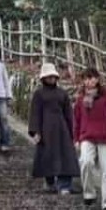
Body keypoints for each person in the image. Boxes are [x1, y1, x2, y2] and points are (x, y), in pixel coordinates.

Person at [73, 67, 106, 210]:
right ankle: (89, 193)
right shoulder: (81, 99)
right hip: (86, 136)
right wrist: (75, 139)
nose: (89, 81)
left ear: (97, 79)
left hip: (105, 137)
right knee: (85, 162)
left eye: (92, 78)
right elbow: (76, 120)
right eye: (86, 78)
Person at [29, 62, 81, 194]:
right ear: (43, 78)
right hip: (46, 129)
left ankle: (65, 184)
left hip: (61, 128)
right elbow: (35, 113)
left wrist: (73, 131)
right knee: (47, 156)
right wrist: (35, 131)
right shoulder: (39, 94)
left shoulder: (62, 93)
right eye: (48, 76)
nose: (51, 79)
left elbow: (68, 113)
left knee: (65, 155)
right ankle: (50, 182)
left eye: (53, 76)